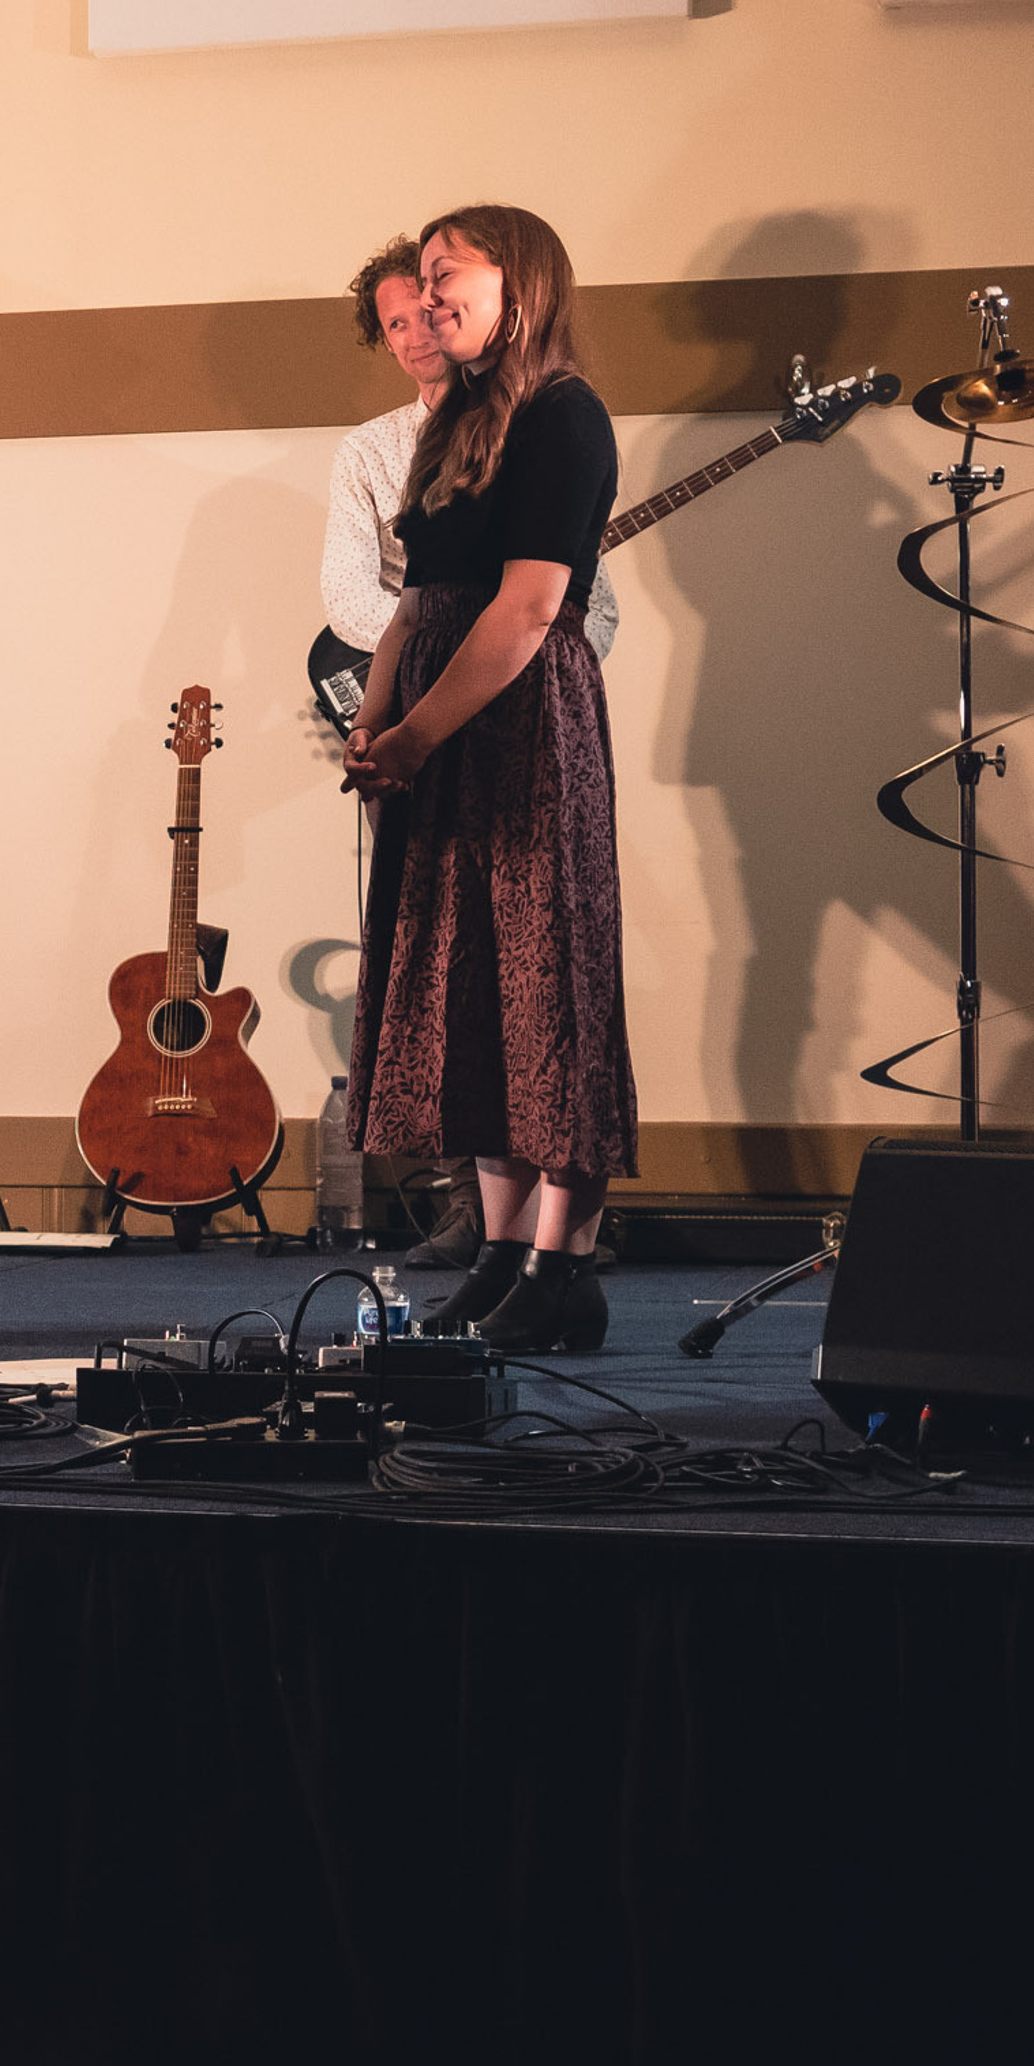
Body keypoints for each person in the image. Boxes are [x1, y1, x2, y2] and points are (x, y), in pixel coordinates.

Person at [340, 205, 637, 1352]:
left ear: (519, 279)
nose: (428, 292)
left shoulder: (565, 416)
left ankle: (564, 1263)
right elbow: (416, 596)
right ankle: (509, 1254)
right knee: (467, 987)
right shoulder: (455, 420)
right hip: (439, 723)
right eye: (419, 276)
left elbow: (526, 607)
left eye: (446, 269)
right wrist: (377, 723)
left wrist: (422, 732)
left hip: (517, 733)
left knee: (544, 983)